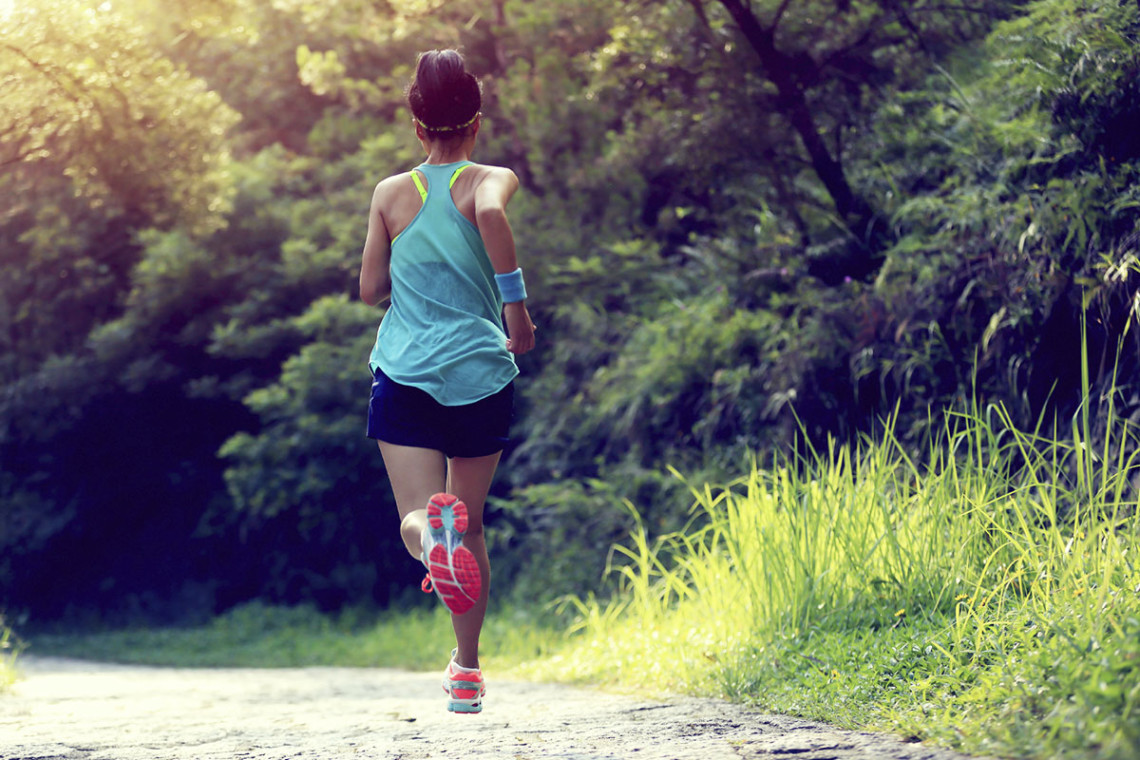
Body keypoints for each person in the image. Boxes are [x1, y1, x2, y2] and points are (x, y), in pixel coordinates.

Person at [358, 49, 535, 715]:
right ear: (477, 121)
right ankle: (466, 671)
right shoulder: (491, 177)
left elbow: (371, 287)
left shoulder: (391, 194)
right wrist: (515, 312)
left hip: (405, 372)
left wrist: (409, 265)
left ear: (415, 123)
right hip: (479, 374)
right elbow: (490, 213)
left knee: (417, 513)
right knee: (474, 525)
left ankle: (430, 543)